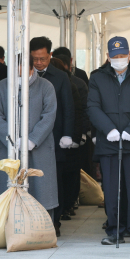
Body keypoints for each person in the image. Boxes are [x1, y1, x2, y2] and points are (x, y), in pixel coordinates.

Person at [88, 36, 130, 245]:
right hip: (109, 142)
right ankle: (114, 229)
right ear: (108, 56)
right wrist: (109, 130)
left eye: (123, 55)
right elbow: (92, 107)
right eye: (115, 56)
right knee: (112, 187)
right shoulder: (97, 78)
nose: (119, 59)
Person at [0, 54, 58, 217]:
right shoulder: (0, 87)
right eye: (15, 69)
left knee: (40, 189)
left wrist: (32, 139)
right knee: (10, 189)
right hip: (10, 148)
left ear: (31, 67)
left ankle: (43, 226)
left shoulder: (46, 86)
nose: (18, 72)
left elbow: (49, 114)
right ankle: (10, 228)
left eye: (22, 68)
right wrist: (12, 139)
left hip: (39, 148)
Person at [30, 36, 74, 235]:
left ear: (50, 55)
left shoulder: (60, 76)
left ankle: (54, 222)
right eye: (35, 59)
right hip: (30, 137)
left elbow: (68, 107)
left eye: (42, 58)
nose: (38, 63)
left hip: (54, 138)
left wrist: (67, 135)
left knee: (54, 181)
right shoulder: (22, 75)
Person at [50, 57, 87, 221]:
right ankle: (65, 207)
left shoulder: (68, 84)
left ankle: (63, 208)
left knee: (63, 176)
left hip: (63, 138)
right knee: (66, 176)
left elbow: (75, 111)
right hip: (64, 138)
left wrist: (73, 136)